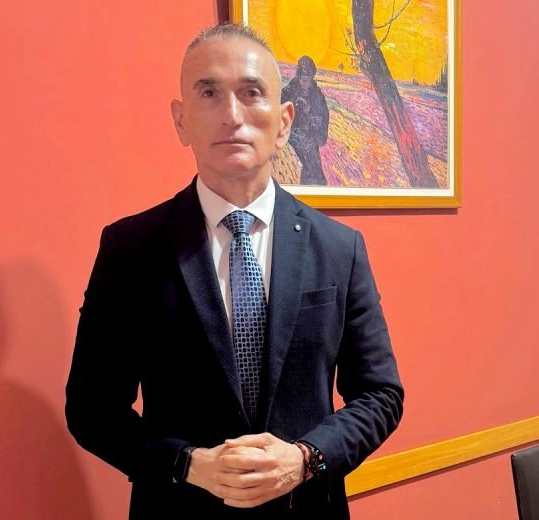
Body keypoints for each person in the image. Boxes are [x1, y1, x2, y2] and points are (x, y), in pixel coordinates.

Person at [65, 23, 403, 519]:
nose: (231, 115)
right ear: (181, 121)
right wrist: (186, 463)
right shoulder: (130, 249)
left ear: (284, 122)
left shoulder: (339, 248)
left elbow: (380, 395)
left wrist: (306, 458)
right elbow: (91, 408)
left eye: (251, 93)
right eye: (209, 93)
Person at [281, 55, 330, 185]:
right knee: (307, 169)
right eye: (304, 78)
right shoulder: (288, 92)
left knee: (316, 173)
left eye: (309, 79)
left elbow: (323, 117)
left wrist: (309, 111)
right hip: (293, 138)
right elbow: (280, 116)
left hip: (310, 139)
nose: (306, 83)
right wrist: (294, 105)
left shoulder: (317, 95)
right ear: (298, 76)